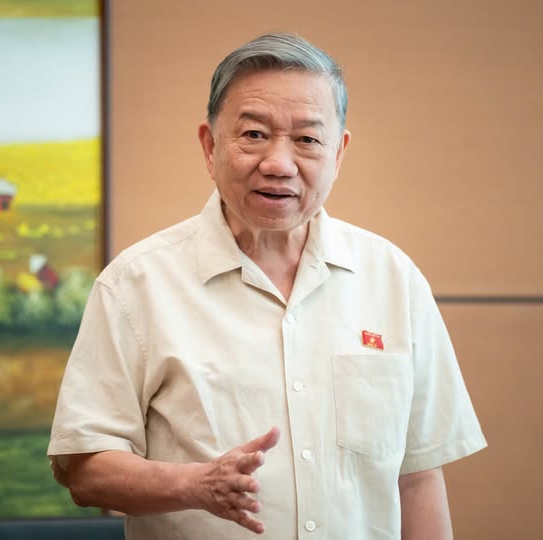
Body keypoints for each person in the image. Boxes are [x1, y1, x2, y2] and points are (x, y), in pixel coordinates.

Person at [48, 32, 487, 539]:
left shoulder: (392, 278)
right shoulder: (136, 283)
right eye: (254, 134)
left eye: (307, 140)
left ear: (338, 153)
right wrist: (196, 486)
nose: (278, 164)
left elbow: (418, 477)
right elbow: (86, 470)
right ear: (210, 146)